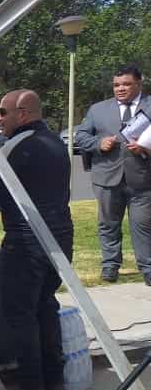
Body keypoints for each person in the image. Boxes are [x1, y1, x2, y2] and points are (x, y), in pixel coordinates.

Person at [0, 89, 74, 390]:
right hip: (60, 239)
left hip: (25, 241)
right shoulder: (56, 144)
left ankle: (32, 385)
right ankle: (56, 383)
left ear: (23, 114)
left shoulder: (17, 146)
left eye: (2, 112)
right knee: (46, 306)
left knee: (21, 314)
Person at [74, 65, 151, 285]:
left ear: (139, 84)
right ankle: (110, 265)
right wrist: (98, 143)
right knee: (108, 224)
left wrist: (146, 149)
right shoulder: (98, 109)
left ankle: (147, 267)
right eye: (116, 85)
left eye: (126, 84)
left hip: (143, 178)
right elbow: (81, 136)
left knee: (143, 225)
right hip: (107, 178)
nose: (120, 89)